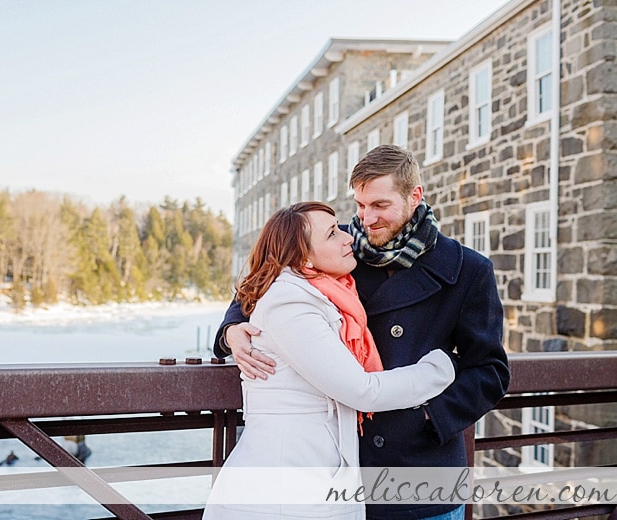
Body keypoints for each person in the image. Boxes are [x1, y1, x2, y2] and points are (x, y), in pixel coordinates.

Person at [214, 145, 511, 520]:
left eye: (380, 206)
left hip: (422, 473)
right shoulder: (340, 255)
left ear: (414, 196)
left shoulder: (468, 270)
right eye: (359, 205)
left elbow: (490, 372)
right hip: (349, 467)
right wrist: (233, 328)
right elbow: (273, 280)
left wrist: (427, 419)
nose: (366, 220)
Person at [203, 201, 457, 520]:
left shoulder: (328, 285)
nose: (349, 235)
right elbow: (362, 390)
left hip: (319, 481)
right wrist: (441, 369)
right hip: (284, 491)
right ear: (303, 256)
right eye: (334, 232)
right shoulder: (290, 301)